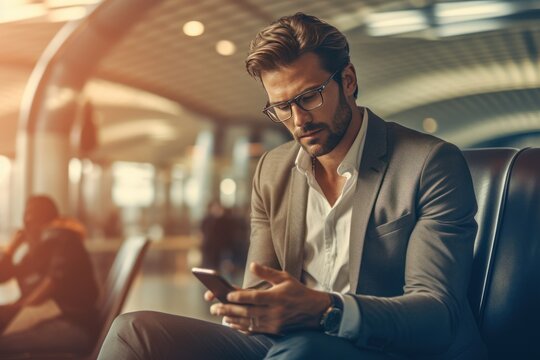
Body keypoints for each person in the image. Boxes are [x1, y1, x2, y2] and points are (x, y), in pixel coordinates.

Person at [97, 13, 487, 359]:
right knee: (133, 333)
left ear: (347, 81)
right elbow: (261, 283)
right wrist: (249, 307)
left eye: (309, 97)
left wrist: (324, 309)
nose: (298, 120)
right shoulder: (273, 169)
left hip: (386, 347)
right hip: (288, 344)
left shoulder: (430, 163)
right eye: (281, 106)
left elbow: (437, 314)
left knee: (306, 349)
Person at [0, 195, 99, 355]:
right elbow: (2, 276)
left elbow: (53, 282)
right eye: (26, 215)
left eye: (32, 214)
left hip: (71, 325)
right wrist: (11, 248)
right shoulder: (37, 252)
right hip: (44, 321)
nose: (27, 220)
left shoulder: (65, 239)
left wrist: (18, 307)